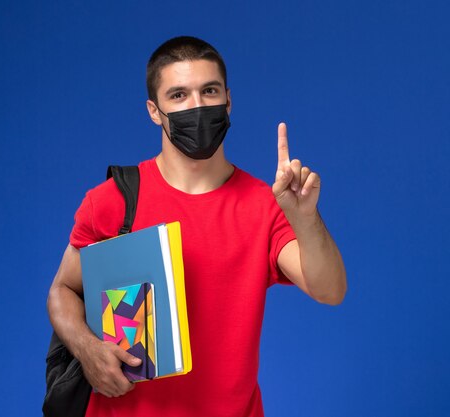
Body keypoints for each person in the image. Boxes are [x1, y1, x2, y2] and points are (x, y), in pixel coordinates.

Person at [47, 36, 347, 417]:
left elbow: (330, 290)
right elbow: (62, 290)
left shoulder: (263, 205)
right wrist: (87, 350)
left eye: (209, 91)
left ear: (228, 100)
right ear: (154, 111)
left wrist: (305, 218)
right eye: (178, 95)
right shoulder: (114, 199)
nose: (198, 106)